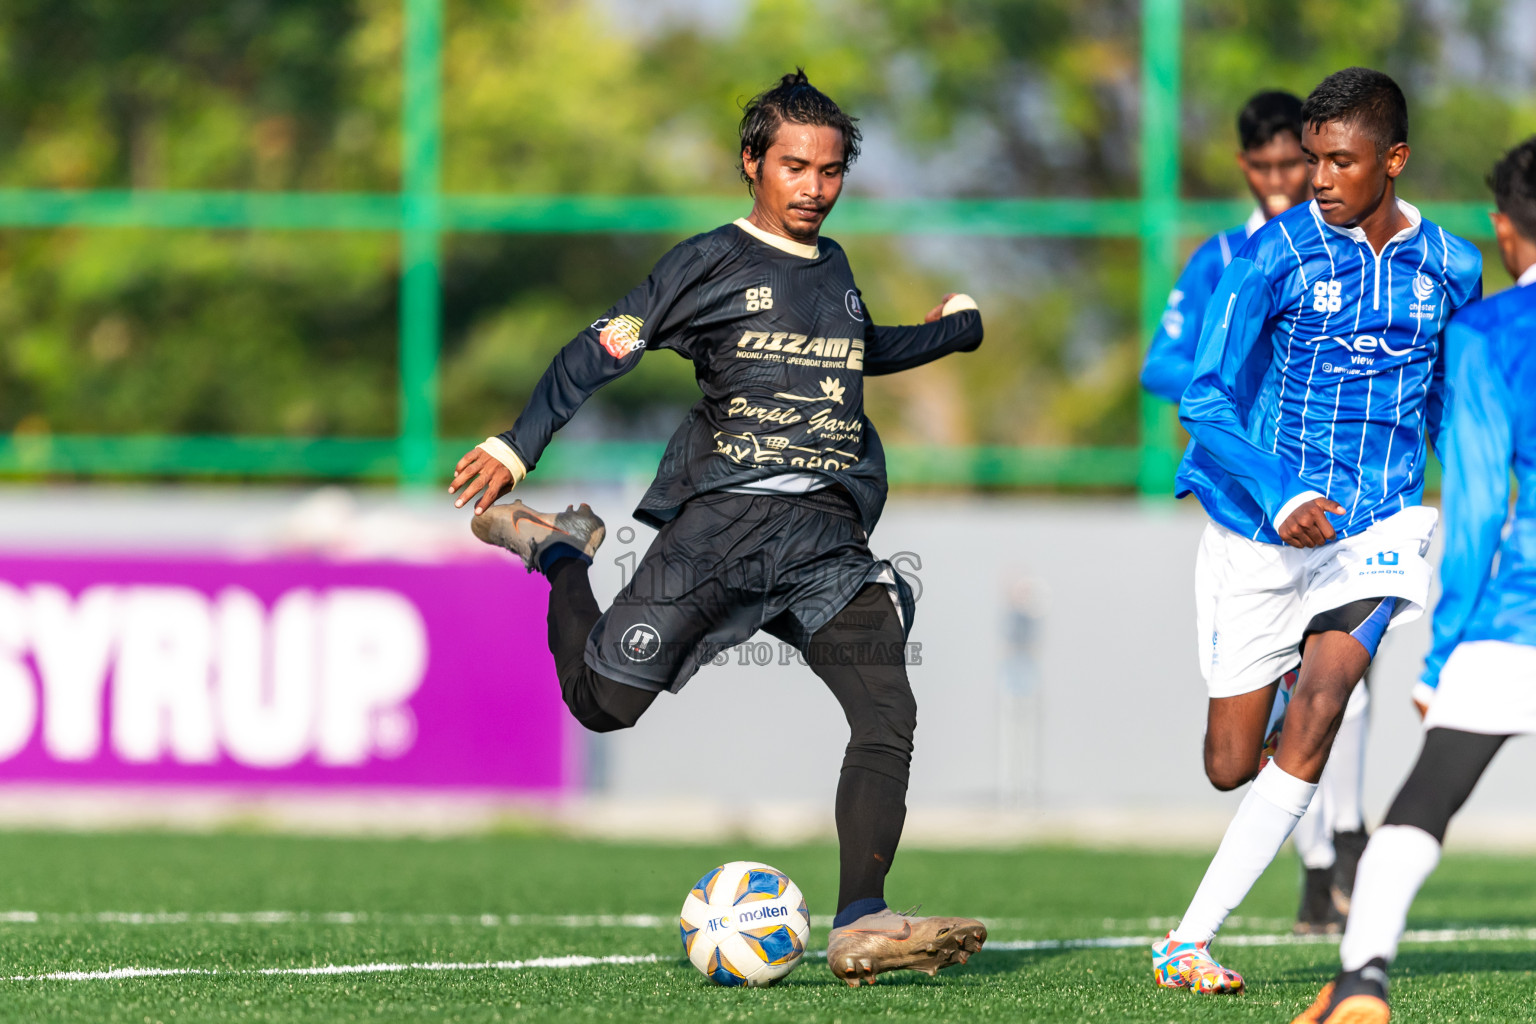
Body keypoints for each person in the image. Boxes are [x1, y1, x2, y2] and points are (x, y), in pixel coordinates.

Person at [447, 70, 988, 986]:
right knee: (601, 706)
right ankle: (561, 552)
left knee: (887, 711)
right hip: (722, 533)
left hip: (823, 540)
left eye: (830, 170)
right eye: (793, 167)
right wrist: (518, 440)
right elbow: (596, 349)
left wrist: (952, 333)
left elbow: (859, 351)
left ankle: (861, 919)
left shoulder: (838, 270)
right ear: (752, 164)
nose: (813, 187)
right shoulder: (707, 263)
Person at [1149, 67, 1483, 994]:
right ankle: (1278, 745)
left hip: (1379, 525)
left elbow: (1456, 401)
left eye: (1340, 161)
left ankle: (1188, 938)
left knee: (1329, 698)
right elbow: (1206, 396)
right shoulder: (1273, 256)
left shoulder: (1453, 267)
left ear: (1395, 160)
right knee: (1228, 765)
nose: (1318, 180)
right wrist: (1281, 486)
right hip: (1260, 529)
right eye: (1312, 160)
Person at [1292, 137, 1536, 1024]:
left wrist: (1441, 656)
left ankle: (1361, 981)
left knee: (1422, 806)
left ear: (1507, 230)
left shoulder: (1490, 332)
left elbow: (1474, 508)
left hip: (1519, 615)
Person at [1141, 89, 1370, 936]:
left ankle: (1336, 851)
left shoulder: (1350, 250)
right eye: (1269, 165)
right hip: (1242, 512)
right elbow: (1168, 370)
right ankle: (1317, 831)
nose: (1284, 179)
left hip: (1337, 514)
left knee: (1343, 679)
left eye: (1298, 164)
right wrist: (1229, 368)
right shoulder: (1226, 259)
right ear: (1247, 166)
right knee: (1230, 761)